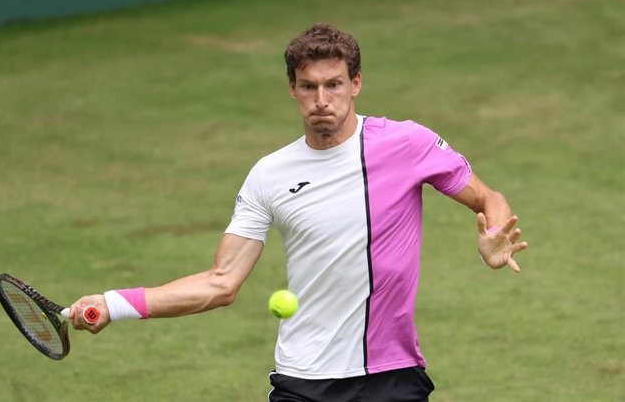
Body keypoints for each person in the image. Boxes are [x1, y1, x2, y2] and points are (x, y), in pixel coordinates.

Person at [68, 23, 528, 402]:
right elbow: (221, 283)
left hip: (392, 374)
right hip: (304, 379)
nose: (322, 100)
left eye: (334, 85)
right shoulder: (269, 175)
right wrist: (114, 303)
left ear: (356, 84)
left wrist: (493, 235)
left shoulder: (405, 144)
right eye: (308, 86)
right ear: (292, 89)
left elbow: (488, 197)